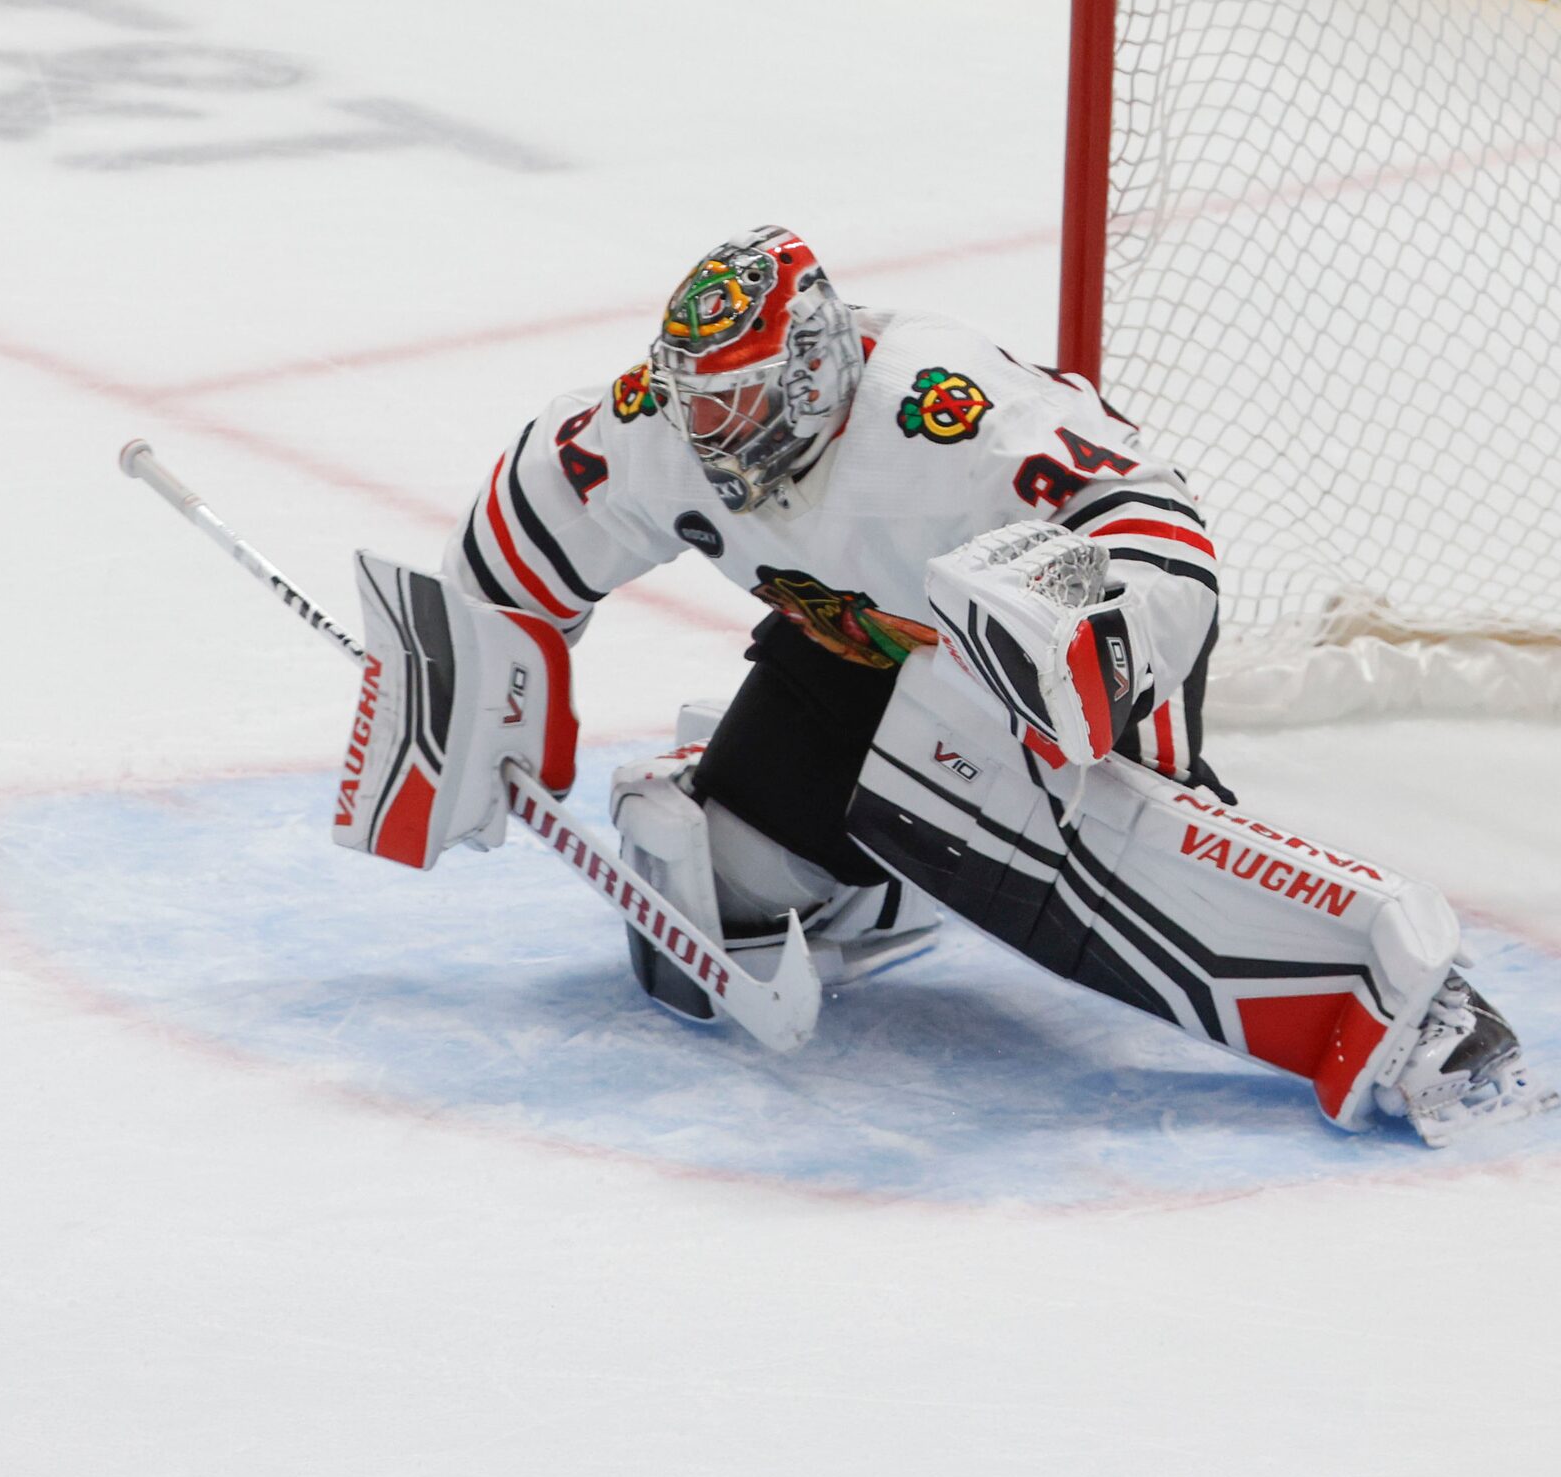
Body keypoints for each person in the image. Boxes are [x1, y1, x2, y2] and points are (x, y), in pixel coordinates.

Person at [333, 225, 1543, 1146]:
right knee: (712, 919)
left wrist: (1077, 646)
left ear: (812, 369)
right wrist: (466, 704)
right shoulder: (649, 426)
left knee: (1098, 861)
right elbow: (512, 558)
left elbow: (1151, 527)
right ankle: (896, 879)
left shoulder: (943, 411)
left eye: (740, 399)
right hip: (853, 656)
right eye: (697, 401)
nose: (714, 432)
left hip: (1045, 659)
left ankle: (1411, 1005)